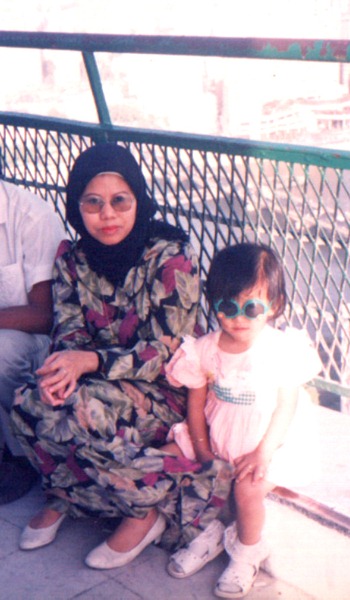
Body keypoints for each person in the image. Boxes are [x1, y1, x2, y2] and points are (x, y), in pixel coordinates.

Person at [11, 143, 232, 569]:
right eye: (92, 203)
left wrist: (90, 364)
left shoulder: (170, 259)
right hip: (97, 380)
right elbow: (69, 328)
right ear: (77, 207)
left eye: (119, 201)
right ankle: (66, 495)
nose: (107, 215)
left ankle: (143, 511)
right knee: (30, 400)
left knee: (82, 409)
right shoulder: (72, 260)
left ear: (138, 201)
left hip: (164, 391)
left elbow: (169, 349)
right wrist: (64, 368)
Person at [164, 243, 322, 598]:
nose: (239, 318)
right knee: (176, 462)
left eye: (252, 307)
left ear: (274, 306)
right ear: (214, 305)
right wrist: (204, 453)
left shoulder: (280, 349)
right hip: (219, 437)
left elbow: (286, 407)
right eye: (227, 307)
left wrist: (263, 453)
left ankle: (248, 553)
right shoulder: (204, 349)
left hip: (268, 442)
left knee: (248, 489)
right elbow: (196, 407)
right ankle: (207, 538)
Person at [0, 176, 64, 504]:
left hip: (38, 346)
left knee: (2, 350)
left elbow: (45, 316)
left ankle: (20, 455)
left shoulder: (32, 217)